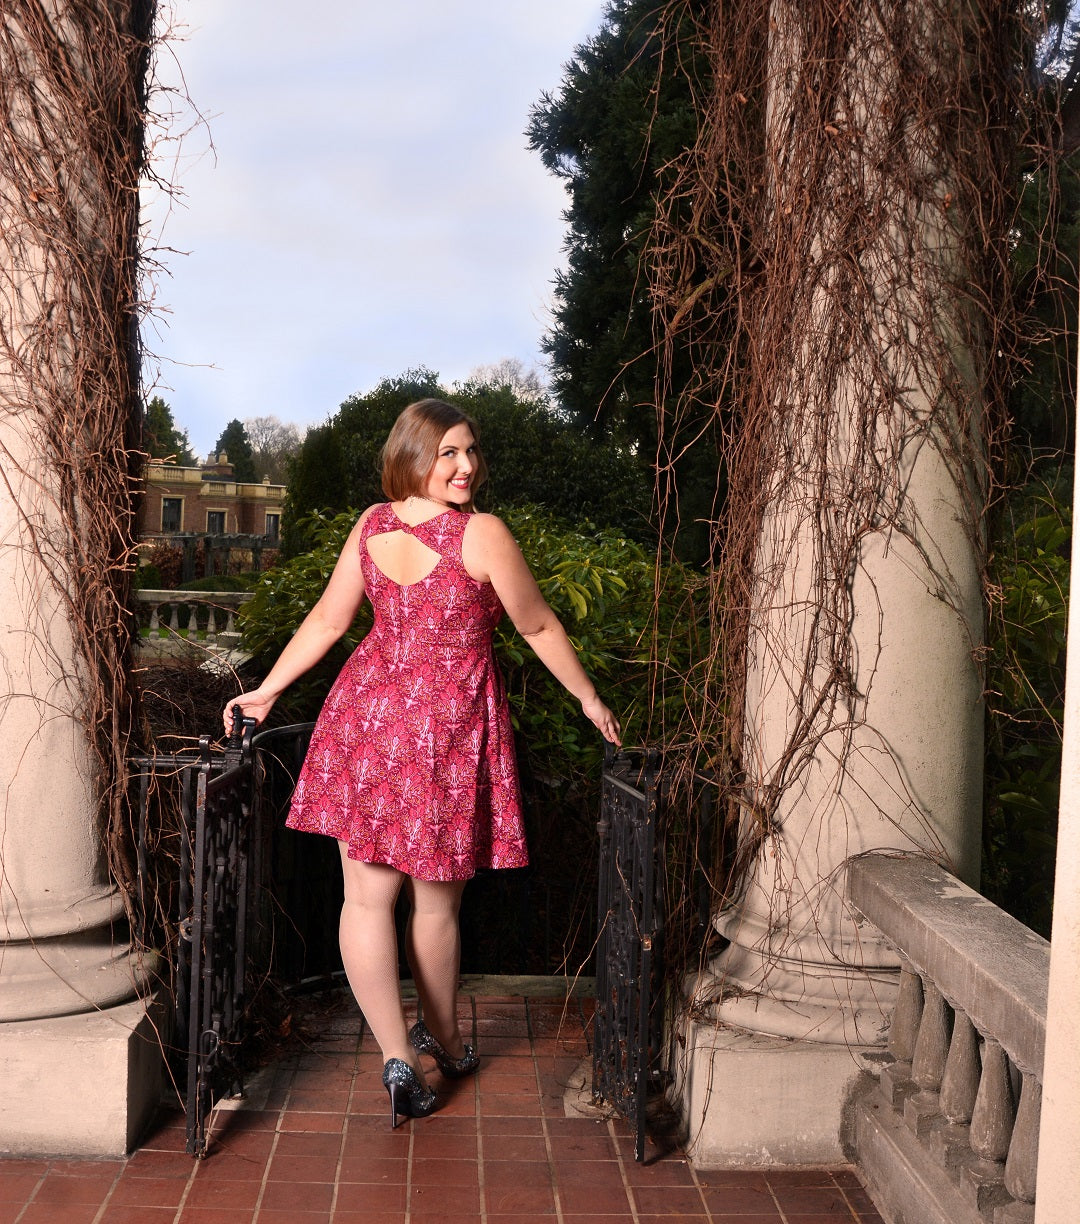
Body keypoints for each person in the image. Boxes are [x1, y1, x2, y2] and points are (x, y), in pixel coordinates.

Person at [225, 398, 621, 1128]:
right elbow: (535, 623)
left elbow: (327, 620)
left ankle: (396, 1057)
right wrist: (590, 699)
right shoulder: (482, 535)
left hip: (365, 720)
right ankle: (439, 1042)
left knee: (366, 900)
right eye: (449, 453)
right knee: (433, 905)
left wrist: (270, 691)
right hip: (441, 727)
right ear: (414, 455)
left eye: (470, 452)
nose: (466, 467)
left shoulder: (372, 524)